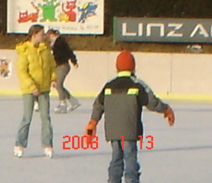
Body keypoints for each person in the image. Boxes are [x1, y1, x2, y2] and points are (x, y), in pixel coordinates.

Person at [85, 50, 175, 183]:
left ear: (117, 67)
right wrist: (166, 110)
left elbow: (98, 104)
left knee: (116, 158)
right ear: (133, 66)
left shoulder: (108, 85)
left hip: (113, 130)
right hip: (130, 129)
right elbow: (152, 102)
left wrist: (92, 123)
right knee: (130, 158)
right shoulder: (138, 84)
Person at [14, 24, 57, 158]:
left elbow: (52, 66)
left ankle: (48, 144)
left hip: (44, 88)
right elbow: (22, 71)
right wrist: (32, 86)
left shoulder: (45, 50)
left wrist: (53, 79)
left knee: (46, 117)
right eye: (41, 34)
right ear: (34, 35)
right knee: (27, 117)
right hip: (29, 89)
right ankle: (20, 144)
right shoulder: (25, 51)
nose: (43, 36)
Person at [47, 28, 80, 113]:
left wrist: (74, 61)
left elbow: (69, 51)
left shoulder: (60, 41)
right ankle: (73, 101)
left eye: (49, 37)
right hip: (58, 66)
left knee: (58, 84)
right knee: (58, 85)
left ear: (52, 35)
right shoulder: (54, 43)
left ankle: (63, 103)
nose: (48, 39)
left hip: (63, 65)